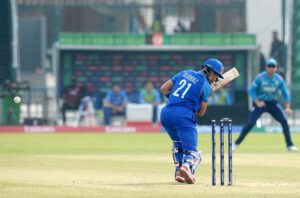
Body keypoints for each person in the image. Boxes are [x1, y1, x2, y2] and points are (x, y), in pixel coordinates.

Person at [160, 58, 224, 184]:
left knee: (178, 143)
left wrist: (177, 99)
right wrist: (204, 96)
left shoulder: (184, 73)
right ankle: (187, 166)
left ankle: (180, 171)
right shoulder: (205, 86)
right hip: (183, 116)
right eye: (215, 74)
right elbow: (201, 112)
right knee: (193, 153)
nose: (215, 78)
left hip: (166, 114)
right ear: (206, 69)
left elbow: (164, 88)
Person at [233, 58, 298, 152]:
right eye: (269, 66)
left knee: (284, 121)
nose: (271, 68)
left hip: (272, 103)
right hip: (260, 103)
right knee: (251, 123)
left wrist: (287, 107)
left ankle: (290, 145)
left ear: (276, 68)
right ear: (266, 67)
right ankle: (235, 144)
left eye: (273, 66)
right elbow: (251, 90)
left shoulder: (279, 79)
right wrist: (257, 101)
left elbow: (285, 94)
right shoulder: (260, 77)